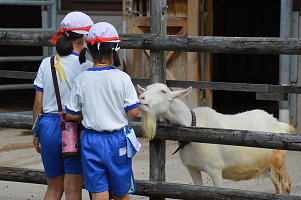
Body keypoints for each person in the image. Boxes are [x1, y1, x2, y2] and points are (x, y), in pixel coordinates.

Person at [65, 22, 139, 200]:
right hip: (118, 141)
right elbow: (133, 112)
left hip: (91, 140)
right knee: (121, 192)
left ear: (88, 50)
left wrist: (90, 113)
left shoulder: (82, 79)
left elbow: (70, 114)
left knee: (98, 190)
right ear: (115, 50)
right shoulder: (123, 78)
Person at [32, 11, 94, 200]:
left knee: (53, 189)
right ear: (84, 37)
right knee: (73, 190)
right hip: (73, 127)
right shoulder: (88, 66)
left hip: (47, 127)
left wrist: (36, 133)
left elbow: (37, 104)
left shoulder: (47, 63)